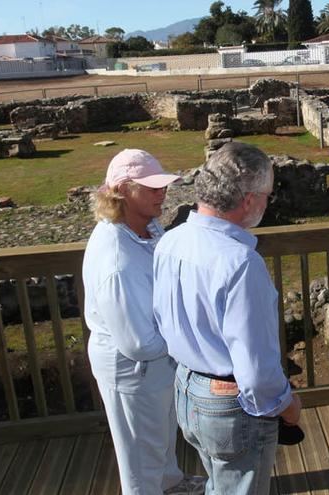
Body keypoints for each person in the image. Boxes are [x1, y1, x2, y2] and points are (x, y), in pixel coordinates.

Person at [153, 142, 302, 495]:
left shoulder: (171, 241)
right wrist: (288, 406)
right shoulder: (239, 263)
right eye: (267, 194)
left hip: (187, 389)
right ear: (248, 200)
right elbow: (256, 367)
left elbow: (162, 319)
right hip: (229, 404)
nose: (268, 202)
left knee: (220, 483)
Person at [82, 149, 205, 495]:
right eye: (151, 188)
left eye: (162, 186)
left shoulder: (145, 228)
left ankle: (170, 483)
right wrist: (187, 335)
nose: (162, 194)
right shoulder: (117, 259)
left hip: (156, 367)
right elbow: (138, 344)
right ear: (122, 189)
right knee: (139, 455)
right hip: (133, 372)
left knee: (162, 437)